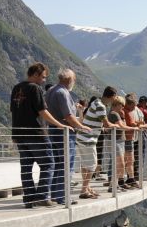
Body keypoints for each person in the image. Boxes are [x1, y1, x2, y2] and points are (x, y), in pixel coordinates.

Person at [10, 63, 68, 208]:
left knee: (26, 167)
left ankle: (29, 199)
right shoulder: (35, 88)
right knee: (48, 163)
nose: (43, 80)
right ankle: (42, 197)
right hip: (36, 133)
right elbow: (42, 111)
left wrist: (14, 133)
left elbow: (14, 111)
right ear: (35, 74)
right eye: (42, 77)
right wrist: (60, 124)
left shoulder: (17, 88)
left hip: (19, 133)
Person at [45, 69, 90, 205]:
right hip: (64, 133)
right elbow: (68, 116)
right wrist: (81, 126)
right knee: (66, 165)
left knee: (57, 164)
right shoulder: (63, 93)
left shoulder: (51, 90)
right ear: (70, 80)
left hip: (52, 130)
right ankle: (63, 197)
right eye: (74, 79)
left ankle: (54, 195)